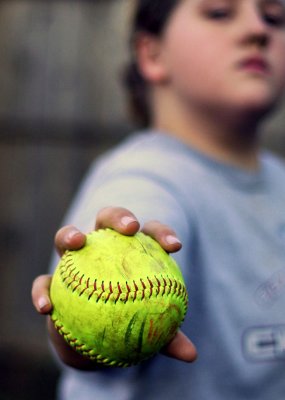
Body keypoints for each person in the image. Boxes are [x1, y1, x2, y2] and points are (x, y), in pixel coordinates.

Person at [32, 0, 285, 398]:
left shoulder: (278, 179)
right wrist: (79, 333)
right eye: (219, 12)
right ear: (152, 54)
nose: (258, 29)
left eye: (274, 17)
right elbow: (137, 212)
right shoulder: (146, 176)